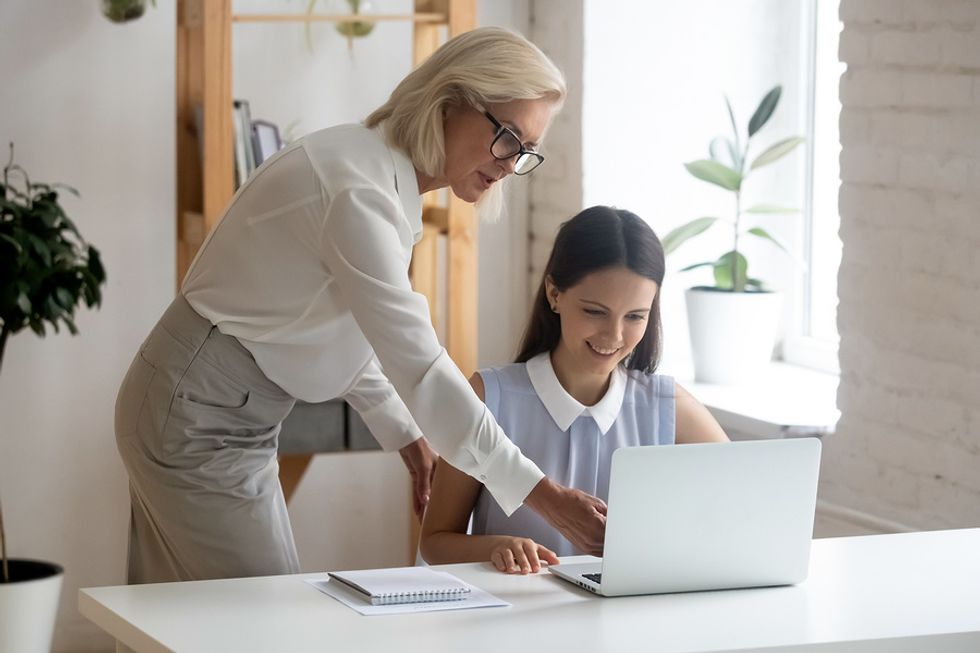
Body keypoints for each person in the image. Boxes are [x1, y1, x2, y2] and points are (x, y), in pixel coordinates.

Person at [113, 26, 606, 584]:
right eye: (508, 138)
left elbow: (347, 329)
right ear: (451, 101)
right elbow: (419, 364)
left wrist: (407, 435)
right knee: (258, 620)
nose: (507, 164)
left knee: (178, 623)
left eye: (525, 153)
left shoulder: (379, 176)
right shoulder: (360, 189)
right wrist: (545, 496)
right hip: (196, 414)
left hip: (203, 407)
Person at [419, 206, 730, 575]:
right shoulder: (489, 396)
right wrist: (496, 547)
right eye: (595, 311)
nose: (613, 336)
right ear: (554, 293)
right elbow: (435, 542)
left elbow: (743, 509)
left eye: (635, 316)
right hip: (512, 624)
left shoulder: (668, 407)